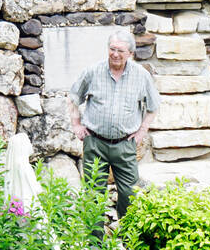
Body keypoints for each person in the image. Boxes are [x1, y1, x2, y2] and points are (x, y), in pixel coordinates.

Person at [67, 30, 160, 222]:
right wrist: (76, 125)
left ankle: (129, 243)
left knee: (129, 194)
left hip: (124, 145)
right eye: (112, 49)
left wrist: (142, 131)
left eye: (120, 50)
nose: (115, 54)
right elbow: (73, 98)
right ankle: (95, 247)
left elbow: (153, 107)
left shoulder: (141, 76)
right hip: (95, 143)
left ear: (130, 54)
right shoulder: (92, 71)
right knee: (93, 195)